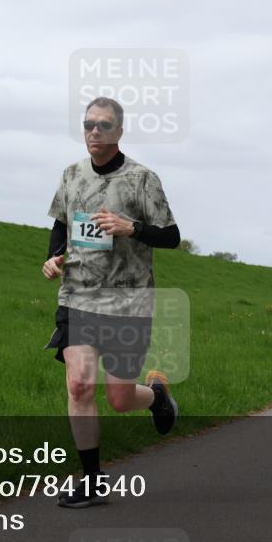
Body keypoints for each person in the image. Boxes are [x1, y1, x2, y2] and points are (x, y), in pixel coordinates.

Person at [43, 96, 181, 508]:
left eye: (104, 125)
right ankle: (91, 480)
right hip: (79, 297)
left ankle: (156, 397)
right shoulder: (71, 175)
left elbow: (171, 236)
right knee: (79, 383)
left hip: (127, 303)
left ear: (119, 131)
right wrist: (52, 258)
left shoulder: (142, 179)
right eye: (88, 124)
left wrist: (130, 227)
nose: (94, 132)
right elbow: (62, 224)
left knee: (120, 400)